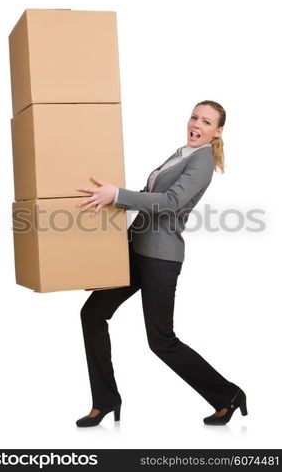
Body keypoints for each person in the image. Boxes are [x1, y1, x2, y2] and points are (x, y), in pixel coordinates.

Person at [75, 100, 247, 427]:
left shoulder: (203, 161)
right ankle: (106, 400)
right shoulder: (181, 153)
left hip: (160, 258)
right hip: (136, 250)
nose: (197, 124)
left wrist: (119, 194)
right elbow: (147, 193)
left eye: (207, 122)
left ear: (218, 131)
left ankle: (228, 395)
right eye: (194, 117)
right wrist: (109, 202)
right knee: (92, 314)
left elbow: (170, 203)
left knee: (161, 340)